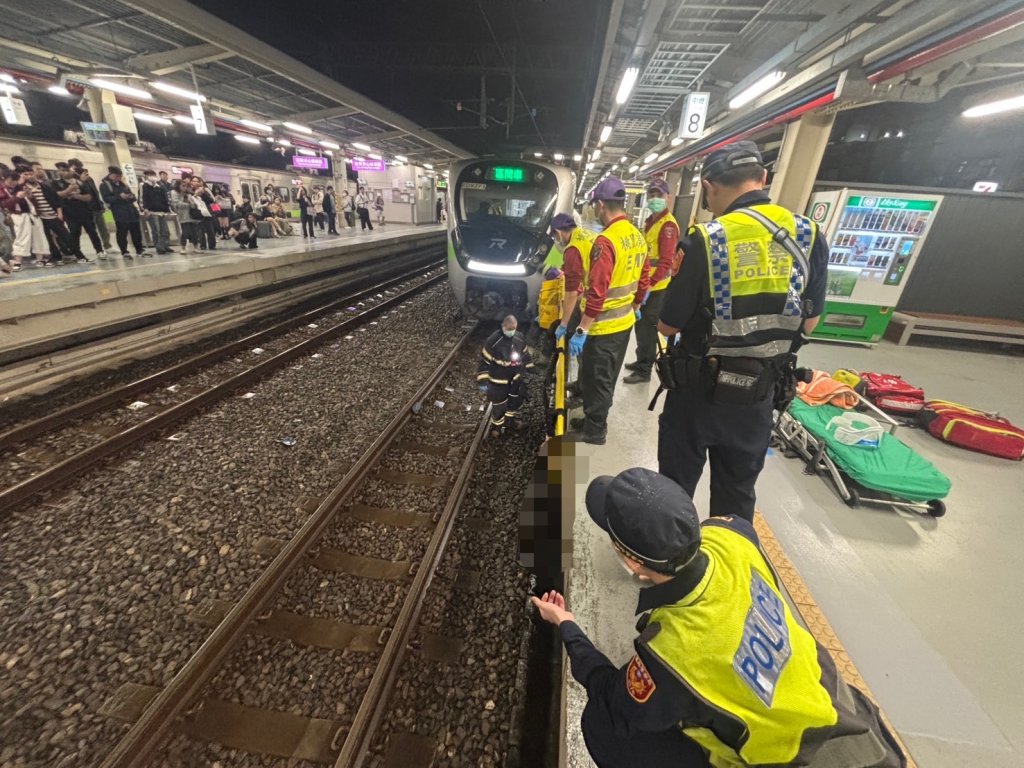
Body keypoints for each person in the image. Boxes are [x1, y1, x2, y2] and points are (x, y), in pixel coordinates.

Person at [534, 468, 906, 768]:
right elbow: (735, 526)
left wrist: (567, 623)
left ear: (633, 561)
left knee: (605, 724)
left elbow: (612, 694)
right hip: (842, 711)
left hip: (793, 758)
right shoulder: (731, 535)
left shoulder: (673, 652)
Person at [657, 141, 827, 522]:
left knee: (675, 491)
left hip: (697, 396)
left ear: (707, 185)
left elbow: (668, 323)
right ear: (763, 179)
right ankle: (731, 568)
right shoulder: (809, 234)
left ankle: (671, 568)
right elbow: (810, 322)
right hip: (759, 397)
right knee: (736, 494)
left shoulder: (706, 238)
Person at [560, 177, 649, 445]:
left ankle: (595, 430)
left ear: (600, 205)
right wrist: (635, 307)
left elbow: (597, 292)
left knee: (598, 378)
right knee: (603, 374)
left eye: (595, 206)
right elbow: (644, 279)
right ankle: (591, 419)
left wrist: (581, 329)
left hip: (603, 326)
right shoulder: (637, 235)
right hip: (624, 324)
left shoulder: (606, 241)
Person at [623, 178, 680, 384]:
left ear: (668, 197)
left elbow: (665, 262)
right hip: (647, 283)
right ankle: (640, 361)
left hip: (657, 287)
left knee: (647, 327)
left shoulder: (668, 226)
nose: (655, 199)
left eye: (659, 195)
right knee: (641, 326)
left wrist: (648, 285)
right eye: (652, 195)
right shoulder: (651, 222)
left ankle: (644, 370)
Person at [477, 315, 533, 437]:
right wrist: (483, 382)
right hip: (498, 381)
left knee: (514, 402)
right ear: (503, 327)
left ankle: (510, 421)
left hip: (515, 379)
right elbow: (484, 362)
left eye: (514, 328)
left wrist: (530, 368)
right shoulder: (493, 341)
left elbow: (525, 355)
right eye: (509, 329)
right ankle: (497, 426)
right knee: (499, 405)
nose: (511, 332)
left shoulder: (519, 338)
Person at [0, 168, 48, 271]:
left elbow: (32, 200)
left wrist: (29, 195)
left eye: (15, 180)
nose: (13, 182)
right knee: (21, 238)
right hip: (18, 215)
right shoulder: (2, 189)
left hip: (32, 214)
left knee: (39, 236)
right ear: (5, 179)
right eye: (10, 180)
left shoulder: (20, 186)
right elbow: (4, 204)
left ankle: (41, 259)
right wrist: (17, 197)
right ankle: (18, 261)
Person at [54, 163, 103, 259]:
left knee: (93, 232)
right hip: (70, 213)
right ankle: (77, 253)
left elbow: (89, 197)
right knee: (75, 234)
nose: (64, 173)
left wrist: (75, 196)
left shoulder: (80, 182)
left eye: (66, 170)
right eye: (61, 171)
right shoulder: (57, 183)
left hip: (86, 211)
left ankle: (100, 250)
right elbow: (58, 195)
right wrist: (69, 190)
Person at [100, 167, 144, 260]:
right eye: (116, 176)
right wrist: (120, 197)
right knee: (122, 233)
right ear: (111, 175)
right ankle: (124, 251)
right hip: (119, 213)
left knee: (136, 232)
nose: (118, 178)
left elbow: (133, 197)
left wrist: (131, 196)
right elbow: (107, 199)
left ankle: (139, 250)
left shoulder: (123, 185)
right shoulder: (105, 185)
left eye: (120, 176)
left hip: (131, 212)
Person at [76, 167, 112, 254]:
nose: (87, 175)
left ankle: (108, 246)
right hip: (88, 210)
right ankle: (99, 249)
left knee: (104, 228)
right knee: (93, 231)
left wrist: (101, 204)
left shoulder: (90, 180)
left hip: (98, 208)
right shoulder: (78, 183)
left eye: (87, 173)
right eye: (85, 174)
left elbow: (95, 192)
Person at [140, 169, 172, 254]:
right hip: (151, 211)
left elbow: (165, 198)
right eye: (148, 175)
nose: (151, 176)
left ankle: (165, 245)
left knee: (164, 230)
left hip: (161, 211)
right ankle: (159, 247)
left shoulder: (160, 185)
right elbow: (142, 198)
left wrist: (167, 209)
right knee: (156, 230)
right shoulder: (144, 185)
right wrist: (145, 208)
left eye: (152, 174)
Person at [188, 177, 218, 250]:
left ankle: (212, 245)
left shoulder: (204, 190)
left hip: (206, 212)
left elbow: (211, 200)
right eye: (193, 181)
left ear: (199, 182)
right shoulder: (189, 191)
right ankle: (203, 245)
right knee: (200, 230)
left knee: (210, 229)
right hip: (197, 212)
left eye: (196, 181)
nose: (195, 183)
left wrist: (203, 194)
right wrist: (194, 196)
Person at [170, 179, 199, 253]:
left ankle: (196, 247)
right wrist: (188, 205)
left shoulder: (189, 194)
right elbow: (176, 204)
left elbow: (193, 204)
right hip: (183, 215)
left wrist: (193, 203)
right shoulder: (174, 192)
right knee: (185, 232)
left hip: (192, 215)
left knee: (194, 232)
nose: (185, 188)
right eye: (183, 186)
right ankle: (183, 247)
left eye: (186, 186)